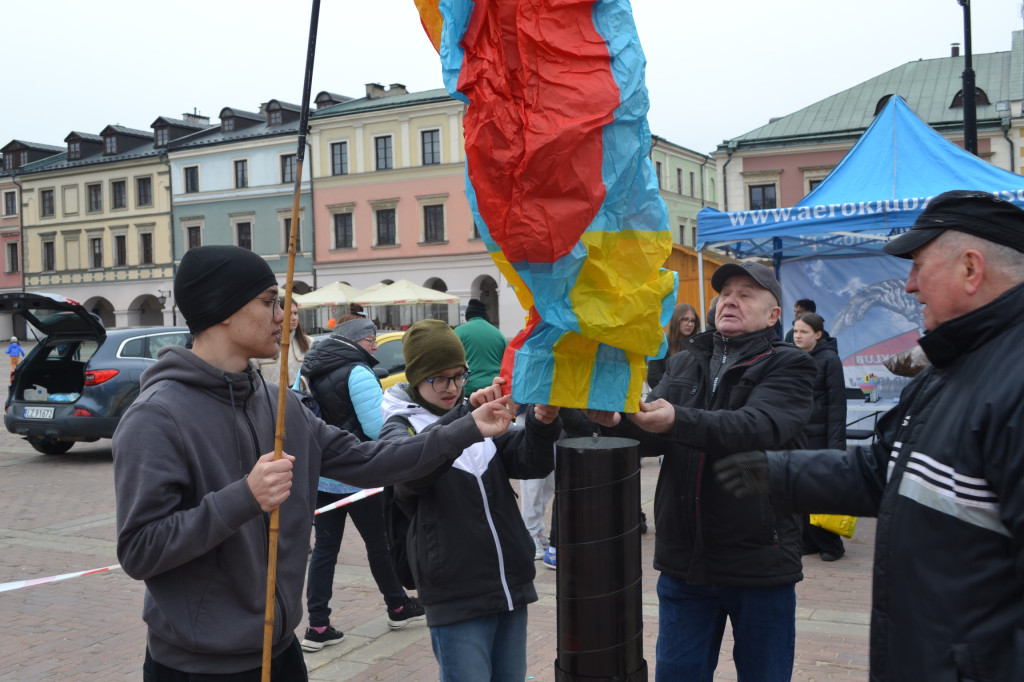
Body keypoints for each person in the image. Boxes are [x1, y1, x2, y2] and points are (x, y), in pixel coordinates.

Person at [111, 245, 514, 681]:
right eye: (270, 301)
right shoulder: (156, 416)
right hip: (196, 668)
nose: (284, 314)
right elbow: (140, 550)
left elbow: (374, 460)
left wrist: (465, 425)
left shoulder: (277, 402)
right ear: (223, 309)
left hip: (281, 652)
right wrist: (243, 498)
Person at [715, 190, 1024, 681]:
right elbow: (884, 470)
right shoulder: (951, 367)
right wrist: (776, 471)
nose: (911, 285)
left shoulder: (1011, 380)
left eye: (920, 266)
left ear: (971, 268)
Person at [585, 261, 816, 682]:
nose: (730, 300)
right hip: (685, 562)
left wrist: (676, 420)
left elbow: (757, 427)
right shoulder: (686, 361)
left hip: (759, 560)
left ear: (773, 315)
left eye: (745, 293)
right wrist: (619, 420)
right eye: (725, 292)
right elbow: (657, 435)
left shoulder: (790, 365)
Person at [379, 319, 561, 682]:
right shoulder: (401, 428)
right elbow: (410, 475)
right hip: (455, 594)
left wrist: (543, 421)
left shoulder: (474, 418)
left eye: (459, 375)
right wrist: (467, 418)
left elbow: (531, 461)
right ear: (416, 378)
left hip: (509, 585)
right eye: (439, 378)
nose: (452, 388)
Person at [298, 314, 424, 652]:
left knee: (324, 550)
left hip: (323, 475)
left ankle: (317, 624)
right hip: (361, 475)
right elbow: (375, 428)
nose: (373, 343)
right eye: (369, 339)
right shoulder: (358, 371)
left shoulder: (307, 370)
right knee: (379, 544)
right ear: (355, 341)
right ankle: (398, 607)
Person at [791, 311, 847, 561]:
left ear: (818, 334)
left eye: (803, 331)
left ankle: (831, 544)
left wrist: (836, 445)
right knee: (799, 491)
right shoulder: (792, 358)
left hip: (821, 437)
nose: (798, 336)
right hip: (798, 435)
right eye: (795, 331)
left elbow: (837, 406)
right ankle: (808, 540)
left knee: (818, 492)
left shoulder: (830, 360)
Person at [454, 298, 507, 393]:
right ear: (484, 316)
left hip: (468, 388)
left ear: (467, 317)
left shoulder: (458, 332)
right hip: (493, 389)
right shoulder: (498, 334)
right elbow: (506, 362)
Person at [258, 295, 312, 387]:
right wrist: (269, 387)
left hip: (300, 399)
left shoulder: (309, 343)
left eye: (295, 313)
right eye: (289, 314)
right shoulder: (259, 345)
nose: (294, 318)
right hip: (272, 398)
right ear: (278, 315)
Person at [646, 302, 700, 390]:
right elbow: (653, 377)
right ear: (676, 320)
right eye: (685, 319)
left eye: (693, 321)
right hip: (666, 397)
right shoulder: (662, 344)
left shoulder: (696, 345)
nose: (690, 324)